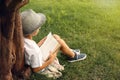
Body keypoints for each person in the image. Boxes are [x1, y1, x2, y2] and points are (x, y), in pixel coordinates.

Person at [21, 9, 87, 78]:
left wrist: (40, 43)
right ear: (33, 32)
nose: (39, 28)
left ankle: (69, 52)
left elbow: (31, 53)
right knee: (59, 42)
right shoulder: (34, 49)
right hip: (42, 63)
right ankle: (73, 56)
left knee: (55, 36)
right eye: (38, 27)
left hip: (37, 56)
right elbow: (36, 69)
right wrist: (50, 60)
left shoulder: (23, 39)